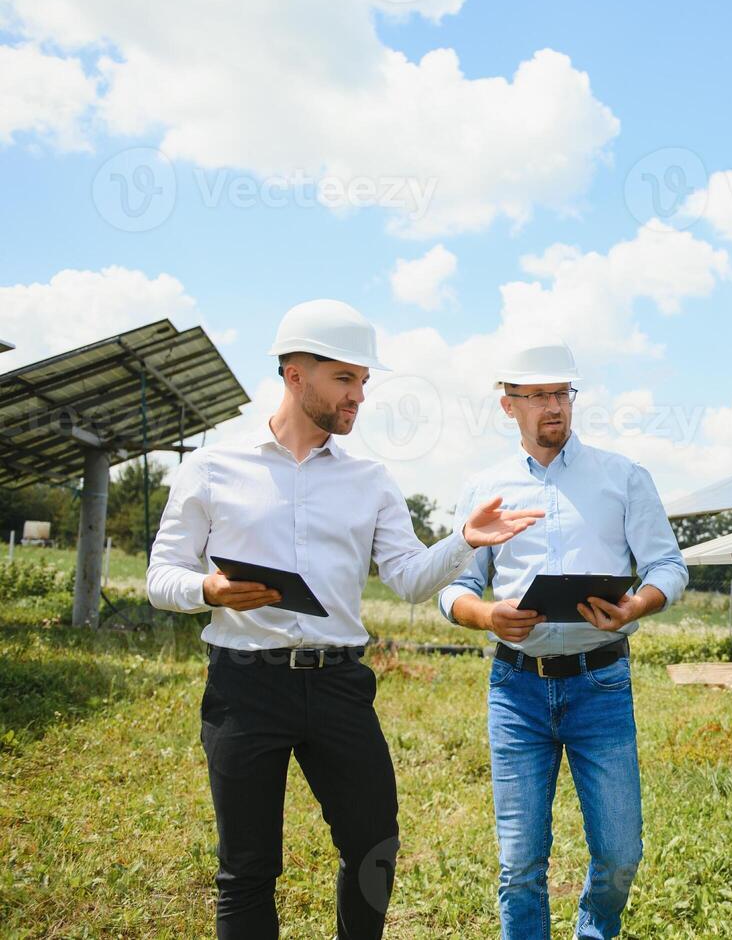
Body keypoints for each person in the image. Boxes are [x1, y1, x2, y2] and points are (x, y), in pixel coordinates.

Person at [147, 299, 543, 939]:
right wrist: (210, 590)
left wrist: (466, 540)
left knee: (374, 845)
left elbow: (410, 577)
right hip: (244, 687)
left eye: (364, 381)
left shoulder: (371, 480)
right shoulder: (213, 468)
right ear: (294, 374)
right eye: (345, 379)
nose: (359, 395)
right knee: (246, 868)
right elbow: (159, 576)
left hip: (338, 686)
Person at [439, 340, 688, 940]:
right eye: (539, 396)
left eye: (562, 394)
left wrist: (635, 604)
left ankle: (593, 928)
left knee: (621, 851)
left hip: (600, 683)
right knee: (520, 863)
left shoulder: (622, 477)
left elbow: (669, 568)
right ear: (508, 406)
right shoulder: (484, 489)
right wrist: (487, 616)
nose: (554, 407)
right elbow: (455, 589)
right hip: (516, 688)